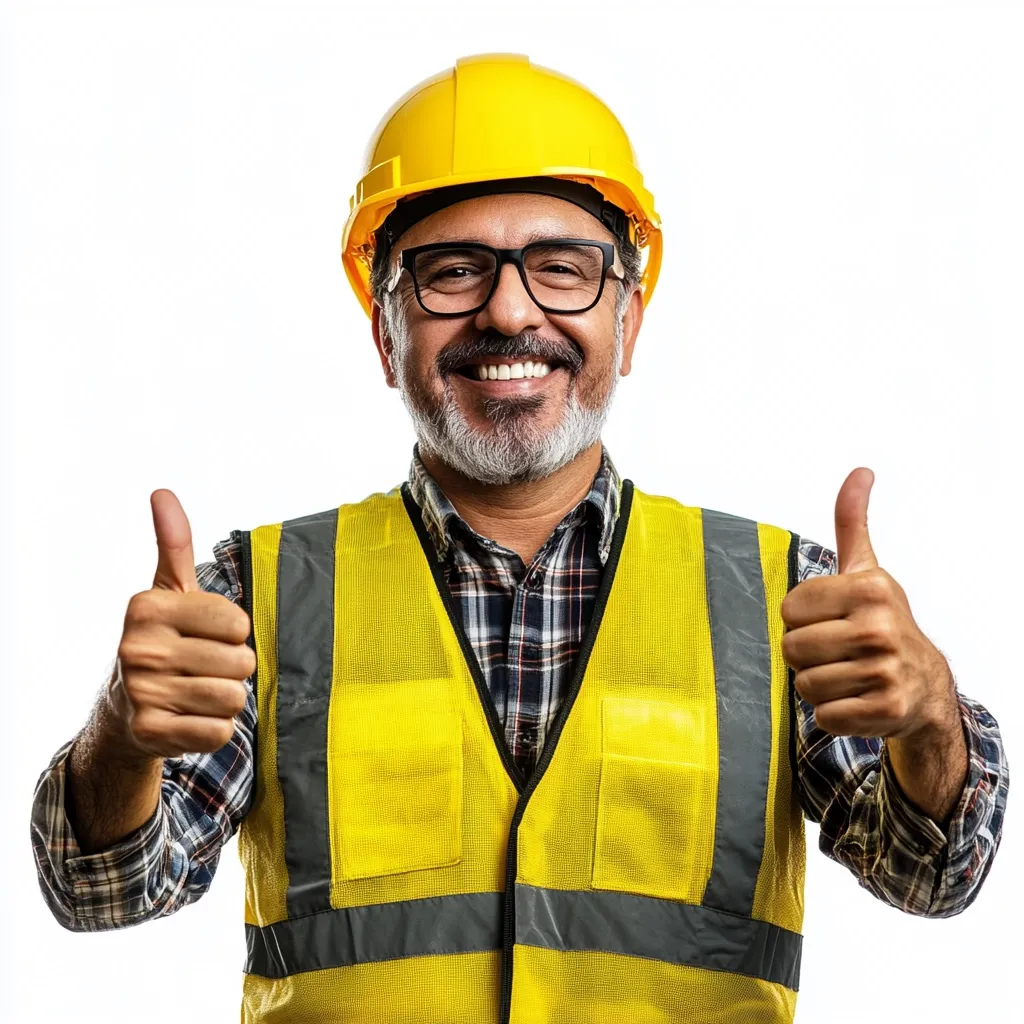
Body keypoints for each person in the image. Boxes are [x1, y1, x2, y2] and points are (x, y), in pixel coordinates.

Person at [31, 54, 1007, 1024]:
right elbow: (103, 889)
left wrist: (927, 715)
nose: (508, 310)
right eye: (452, 272)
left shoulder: (780, 597)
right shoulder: (257, 596)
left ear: (627, 322)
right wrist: (123, 730)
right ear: (384, 333)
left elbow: (935, 873)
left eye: (561, 270)